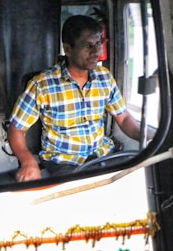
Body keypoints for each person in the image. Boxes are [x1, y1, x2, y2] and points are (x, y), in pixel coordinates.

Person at [8, 15, 150, 182]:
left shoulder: (104, 77)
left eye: (98, 44)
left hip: (102, 155)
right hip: (64, 162)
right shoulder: (42, 84)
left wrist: (151, 135)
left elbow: (124, 118)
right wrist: (28, 161)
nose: (96, 52)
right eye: (87, 46)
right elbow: (16, 129)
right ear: (67, 49)